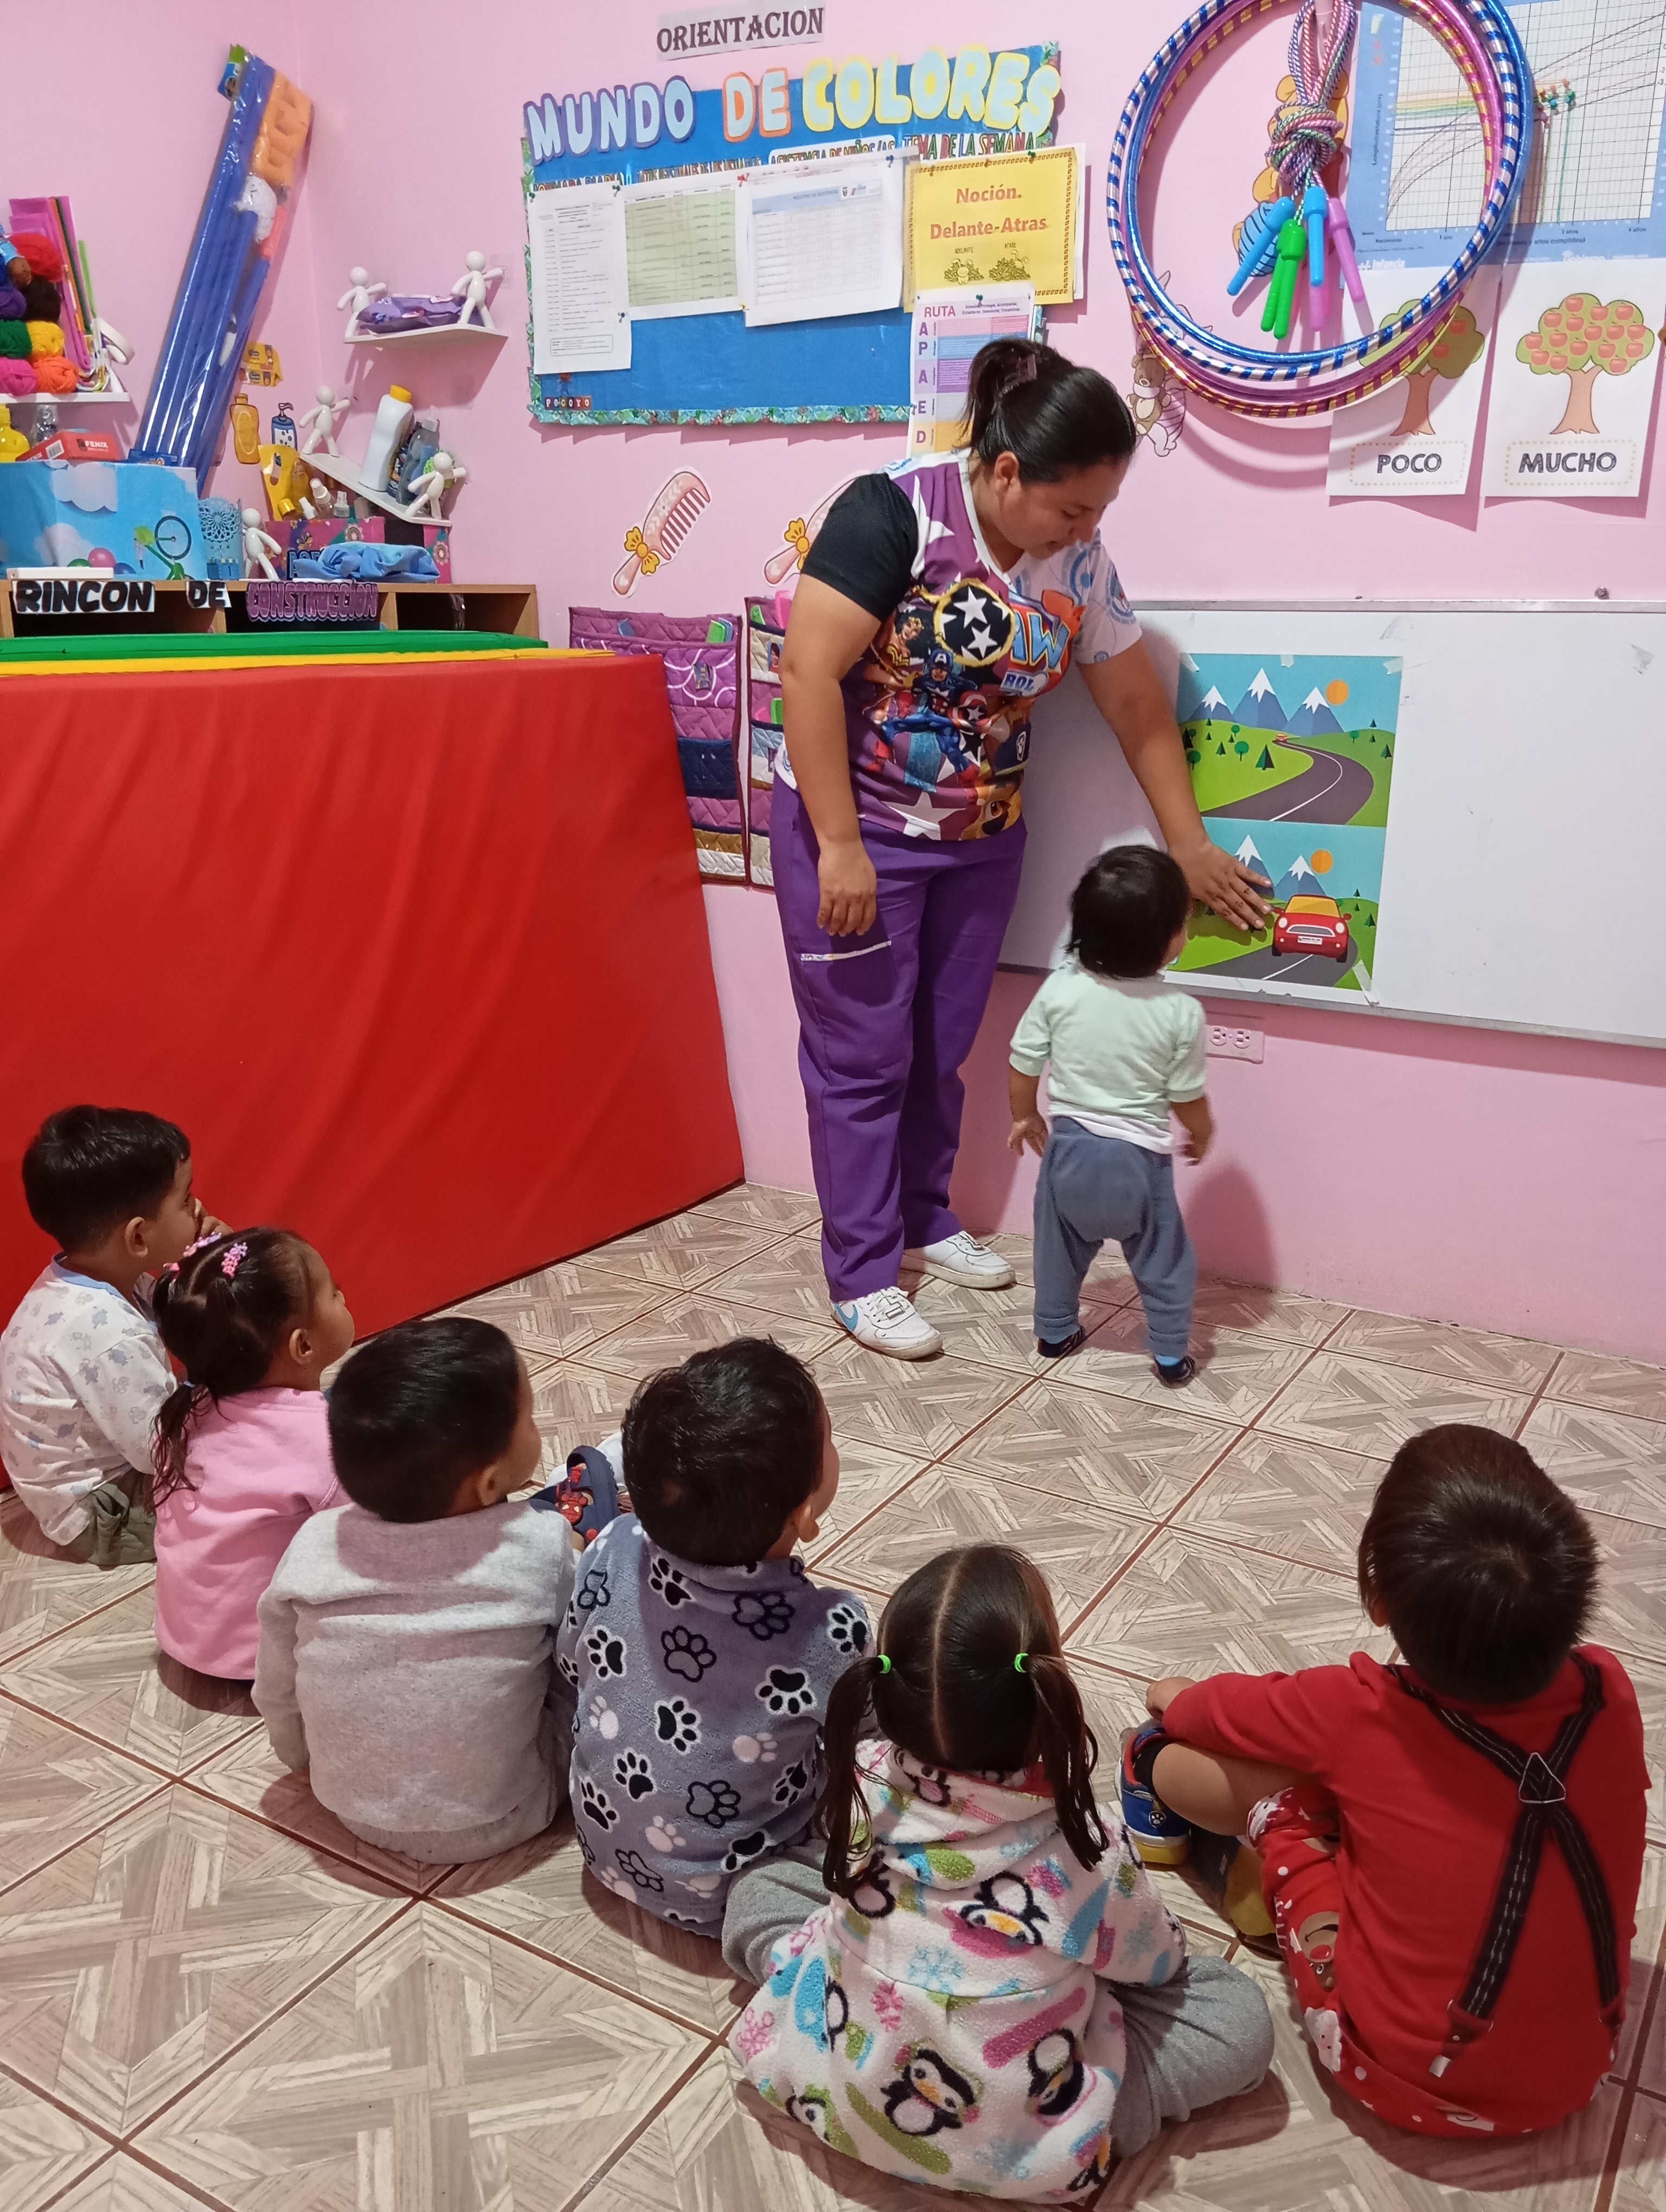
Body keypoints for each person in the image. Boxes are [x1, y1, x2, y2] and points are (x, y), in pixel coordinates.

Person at [777, 336, 1267, 1360]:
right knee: (861, 1057)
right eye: (1073, 509)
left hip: (981, 839)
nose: (1086, 531)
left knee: (940, 1046)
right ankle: (861, 1272)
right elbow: (807, 673)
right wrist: (837, 845)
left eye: (1100, 512)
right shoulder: (893, 513)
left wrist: (1188, 845)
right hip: (857, 831)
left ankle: (923, 1216)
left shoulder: (1079, 562)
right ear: (1007, 473)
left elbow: (1135, 708)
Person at [1122, 1425, 1648, 2138]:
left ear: (1378, 1598)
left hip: (1397, 2077)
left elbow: (1209, 1711)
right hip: (1578, 2077)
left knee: (1262, 1783)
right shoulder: (1609, 1690)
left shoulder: (1361, 1707)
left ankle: (1155, 1784)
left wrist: (1167, 1700)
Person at [730, 1544, 1271, 2198]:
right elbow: (1157, 1966)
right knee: (1237, 2017)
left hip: (835, 2086)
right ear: (1045, 1695)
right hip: (1017, 2141)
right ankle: (1066, 2136)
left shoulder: (861, 1783)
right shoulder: (1087, 1844)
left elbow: (835, 1877)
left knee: (759, 1889)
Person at [558, 1338, 871, 1957]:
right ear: (805, 1514)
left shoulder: (610, 1544)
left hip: (603, 1851)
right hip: (735, 1889)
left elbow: (572, 1663)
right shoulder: (832, 1629)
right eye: (831, 1440)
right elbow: (869, 1747)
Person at [254, 1316, 575, 1864]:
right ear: (488, 1482)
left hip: (350, 1806)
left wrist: (300, 1759)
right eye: (529, 1417)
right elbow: (582, 1653)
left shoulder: (316, 1542)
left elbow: (277, 1686)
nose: (535, 1425)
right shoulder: (541, 1542)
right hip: (511, 1811)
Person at [1008, 847, 1209, 1379]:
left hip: (1069, 1156)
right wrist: (1202, 1133)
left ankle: (1055, 1333)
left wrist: (1025, 1116)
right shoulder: (1180, 1012)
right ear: (1168, 942)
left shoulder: (1060, 988)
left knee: (1057, 1254)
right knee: (1165, 1262)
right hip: (1139, 1166)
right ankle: (1169, 1354)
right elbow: (1186, 1095)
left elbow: (1024, 1059)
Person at [0, 1105, 217, 1564]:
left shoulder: (96, 1278)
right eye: (185, 1200)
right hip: (105, 1515)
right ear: (137, 1238)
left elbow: (176, 1316)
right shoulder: (109, 1336)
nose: (198, 1209)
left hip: (93, 1482)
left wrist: (208, 1262)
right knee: (248, 1476)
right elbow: (160, 1452)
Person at [150, 1227, 355, 1680]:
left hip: (185, 1641)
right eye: (333, 1293)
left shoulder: (185, 1411)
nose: (343, 1297)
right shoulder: (322, 1437)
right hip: (269, 1660)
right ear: (303, 1346)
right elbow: (372, 1533)